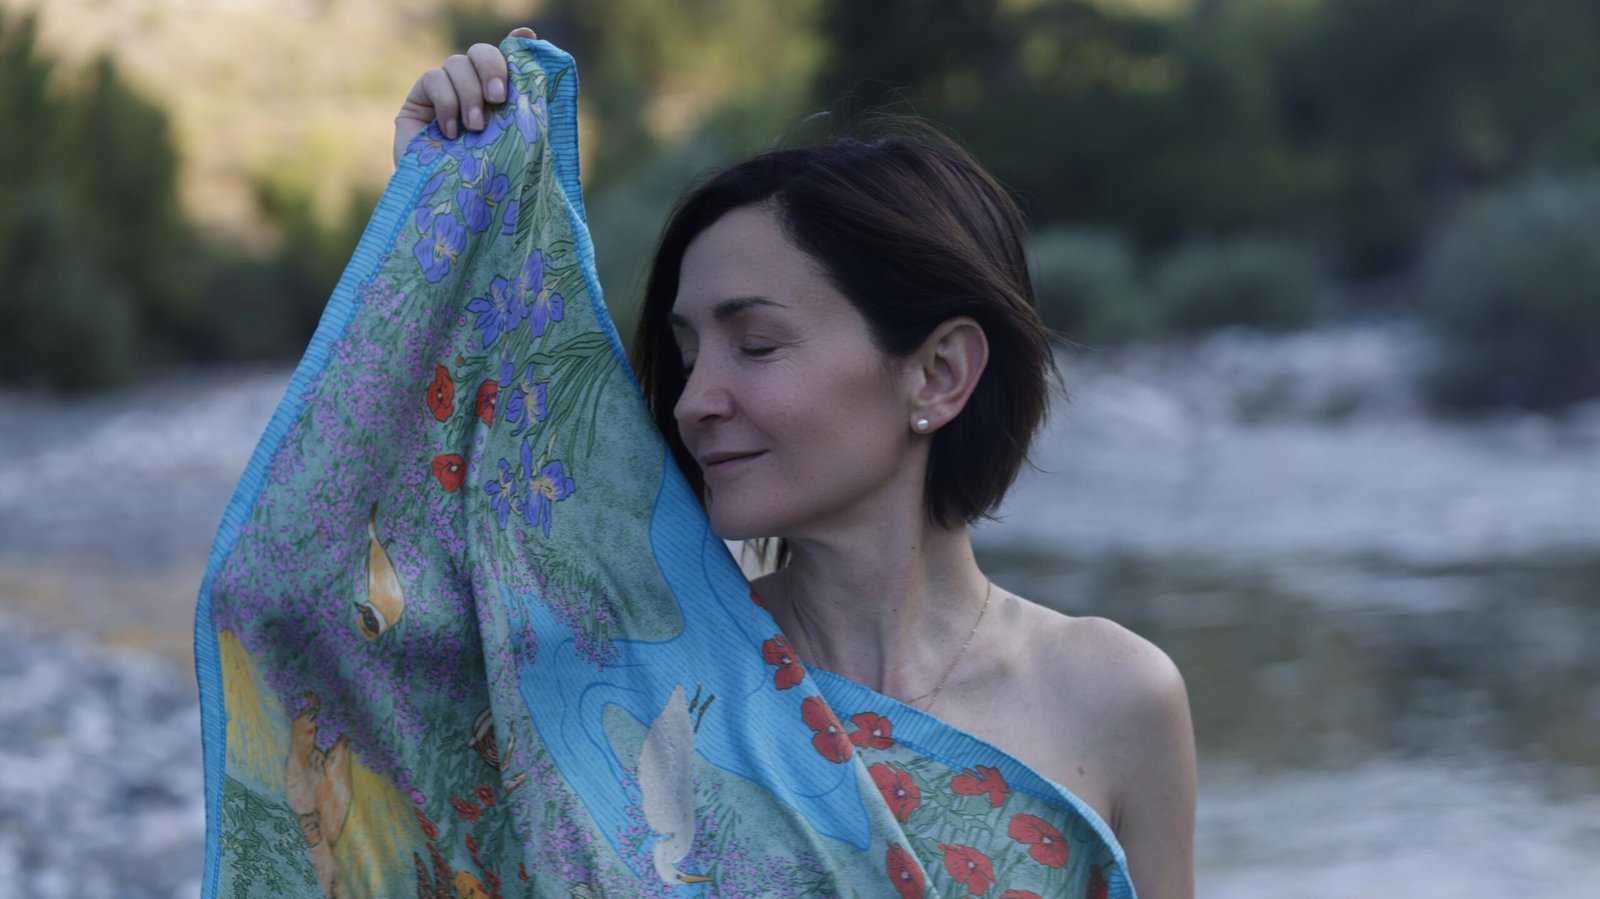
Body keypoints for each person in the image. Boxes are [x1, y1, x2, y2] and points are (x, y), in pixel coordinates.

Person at [394, 29, 1196, 898]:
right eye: (690, 352)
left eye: (757, 344)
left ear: (939, 372)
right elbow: (341, 649)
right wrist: (434, 212)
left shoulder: (1114, 699)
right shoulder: (642, 677)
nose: (695, 398)